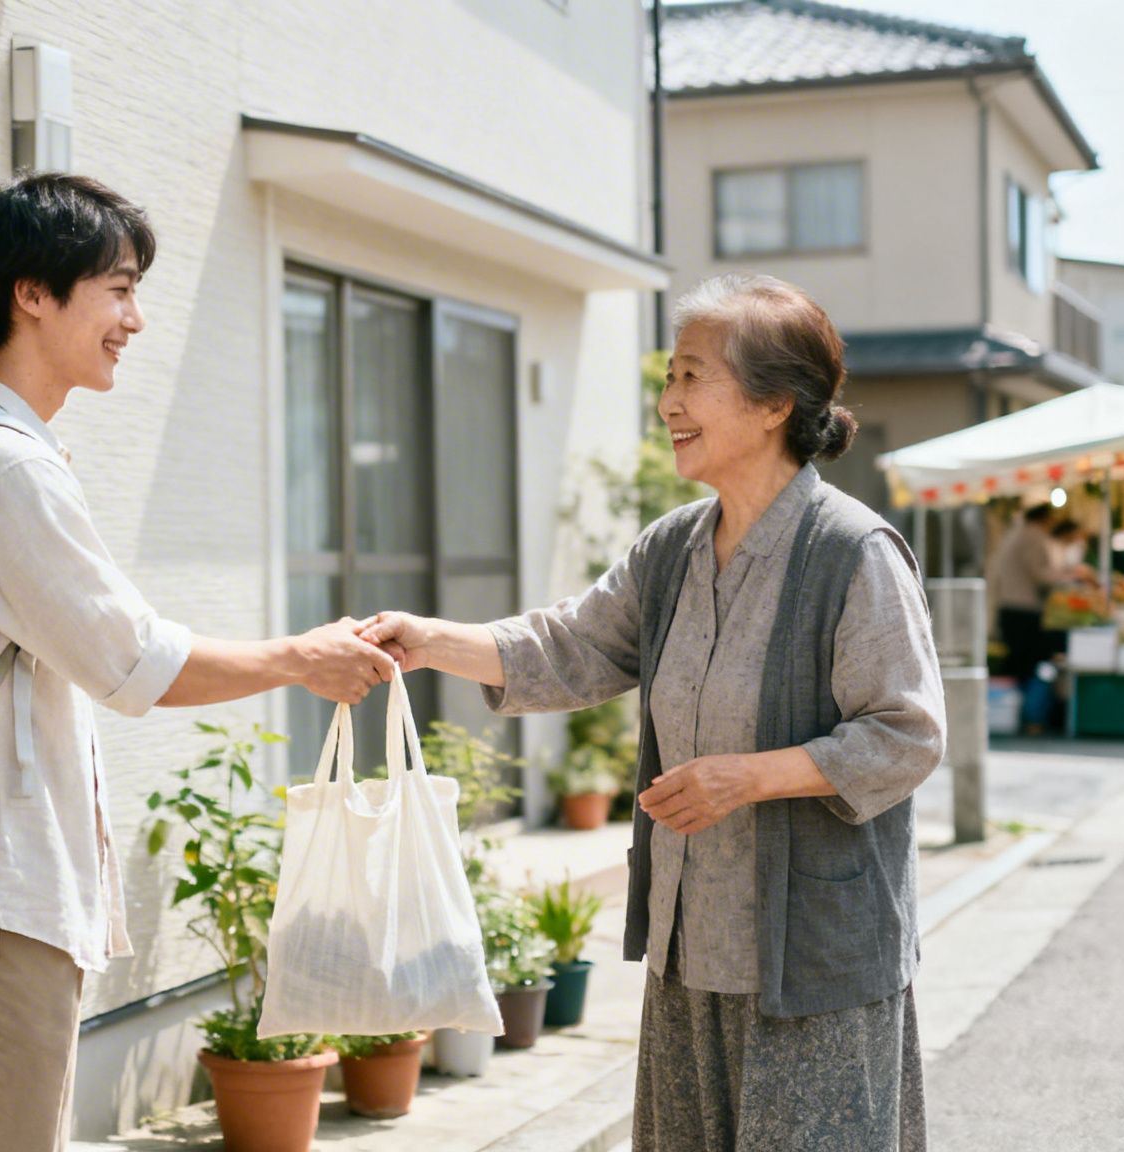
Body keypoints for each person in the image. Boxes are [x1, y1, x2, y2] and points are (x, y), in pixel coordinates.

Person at [0, 173, 395, 1152]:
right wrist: (299, 659)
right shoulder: (1, 469)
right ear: (32, 293)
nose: (134, 319)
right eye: (118, 288)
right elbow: (135, 663)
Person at [363, 273, 945, 1150]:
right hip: (688, 954)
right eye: (669, 377)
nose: (667, 400)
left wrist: (746, 779)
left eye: (691, 377)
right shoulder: (672, 547)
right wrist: (429, 640)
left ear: (773, 405)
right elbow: (572, 646)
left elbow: (906, 733)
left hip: (816, 961)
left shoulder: (853, 553)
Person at [994, 502, 1062, 728]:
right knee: (1027, 665)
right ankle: (1029, 719)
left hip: (1010, 605)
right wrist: (1067, 578)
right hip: (1023, 608)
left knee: (1016, 662)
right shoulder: (1033, 537)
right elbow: (1040, 574)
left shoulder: (1016, 533)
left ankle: (1015, 717)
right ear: (1045, 518)